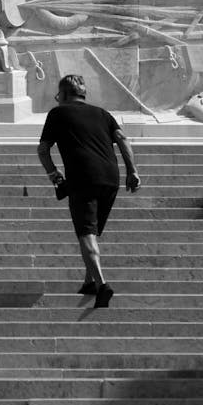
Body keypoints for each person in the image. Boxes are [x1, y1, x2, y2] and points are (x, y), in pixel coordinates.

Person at [37, 74, 140, 308]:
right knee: (92, 232)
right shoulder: (103, 114)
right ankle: (89, 282)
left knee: (86, 234)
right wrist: (132, 171)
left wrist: (53, 174)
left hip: (83, 178)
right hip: (111, 179)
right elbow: (123, 140)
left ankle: (103, 285)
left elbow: (43, 150)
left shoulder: (58, 113)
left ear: (62, 95)